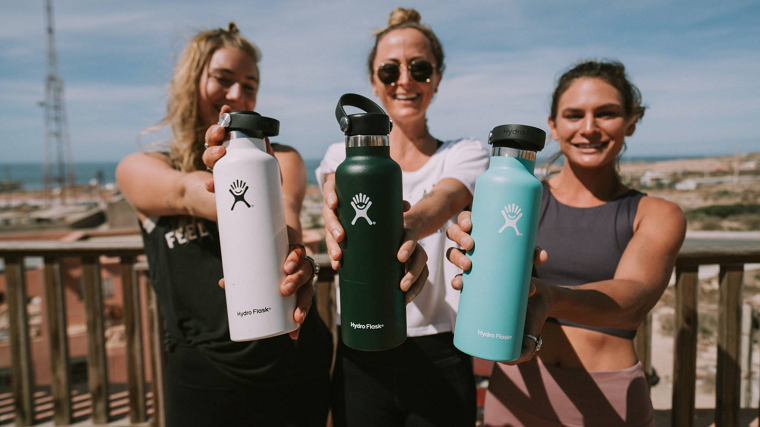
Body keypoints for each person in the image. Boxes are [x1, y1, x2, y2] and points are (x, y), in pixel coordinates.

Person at [445, 60, 687, 427]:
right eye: (574, 115)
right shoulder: (518, 198)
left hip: (608, 400)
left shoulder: (656, 213)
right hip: (515, 389)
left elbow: (633, 300)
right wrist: (465, 246)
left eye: (606, 114)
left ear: (631, 122)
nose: (588, 129)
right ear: (553, 126)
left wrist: (553, 297)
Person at [116, 23, 334, 427]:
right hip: (203, 372)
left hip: (292, 355)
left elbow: (284, 220)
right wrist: (238, 180)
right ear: (191, 80)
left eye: (249, 85)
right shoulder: (142, 166)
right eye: (223, 79)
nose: (237, 94)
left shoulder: (280, 159)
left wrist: (296, 258)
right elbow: (184, 193)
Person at [317, 8, 490, 427]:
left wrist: (405, 229)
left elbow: (445, 199)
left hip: (440, 350)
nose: (404, 80)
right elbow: (331, 208)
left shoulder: (465, 152)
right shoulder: (341, 157)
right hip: (359, 348)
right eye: (390, 70)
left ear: (437, 78)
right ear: (374, 82)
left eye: (420, 68)